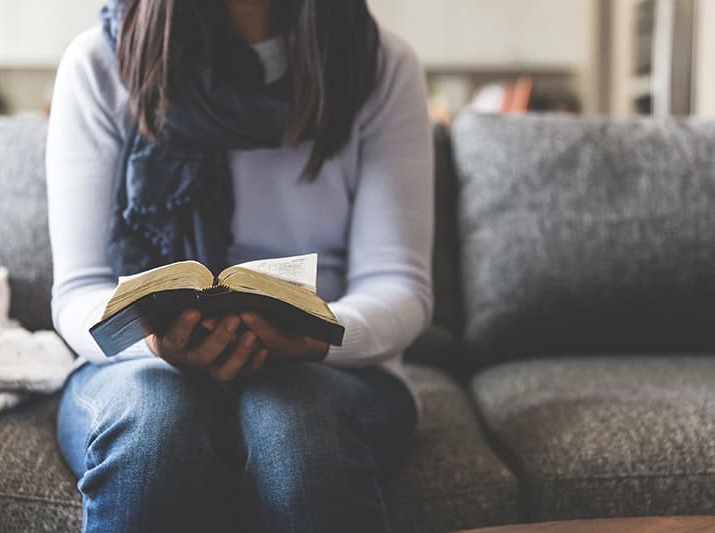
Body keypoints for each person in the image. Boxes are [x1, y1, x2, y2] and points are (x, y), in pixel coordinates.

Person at [46, 0, 433, 531]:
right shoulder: (99, 63)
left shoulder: (381, 65)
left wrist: (318, 337)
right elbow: (78, 290)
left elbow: (400, 285)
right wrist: (153, 341)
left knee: (293, 428)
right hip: (136, 369)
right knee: (155, 428)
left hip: (330, 369)